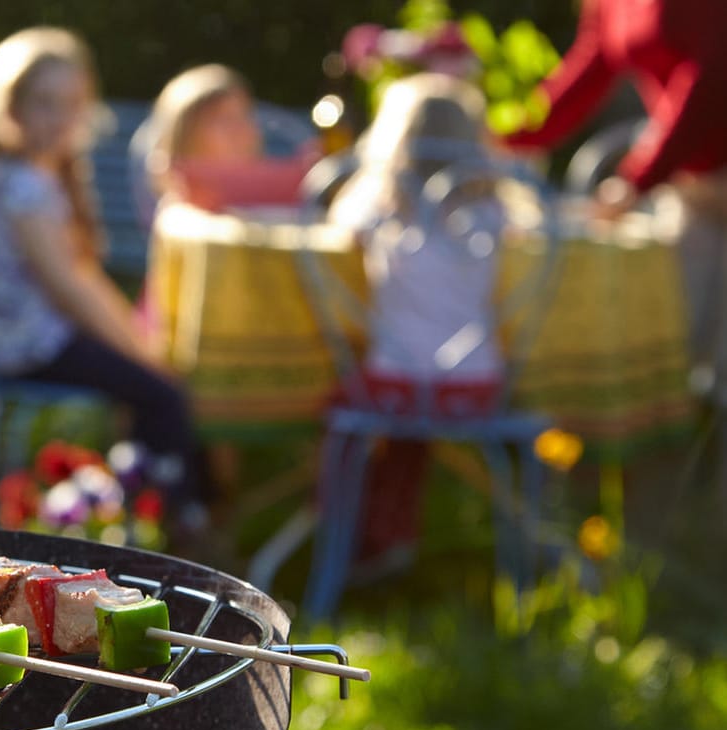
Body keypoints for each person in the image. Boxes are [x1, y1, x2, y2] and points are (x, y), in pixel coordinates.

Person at [0, 27, 213, 536]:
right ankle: (173, 526)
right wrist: (141, 350)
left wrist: (135, 345)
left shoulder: (15, 175)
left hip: (20, 344)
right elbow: (72, 288)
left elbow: (80, 282)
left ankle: (138, 512)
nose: (60, 119)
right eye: (44, 103)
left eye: (72, 104)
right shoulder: (24, 187)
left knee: (150, 384)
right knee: (162, 394)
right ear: (8, 106)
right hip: (31, 349)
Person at [327, 73, 508, 569]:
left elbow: (334, 227)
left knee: (339, 403)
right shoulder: (493, 209)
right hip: (474, 385)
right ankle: (390, 533)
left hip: (395, 381)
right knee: (411, 428)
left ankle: (340, 525)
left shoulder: (378, 207)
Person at [500, 0, 727, 393]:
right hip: (695, 186)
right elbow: (588, 70)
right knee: (685, 339)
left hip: (696, 173)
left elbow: (711, 74)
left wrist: (638, 178)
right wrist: (503, 137)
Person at [138, 64, 313, 217]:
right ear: (183, 137)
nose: (242, 130)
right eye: (224, 119)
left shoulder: (273, 203)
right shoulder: (179, 215)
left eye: (245, 116)